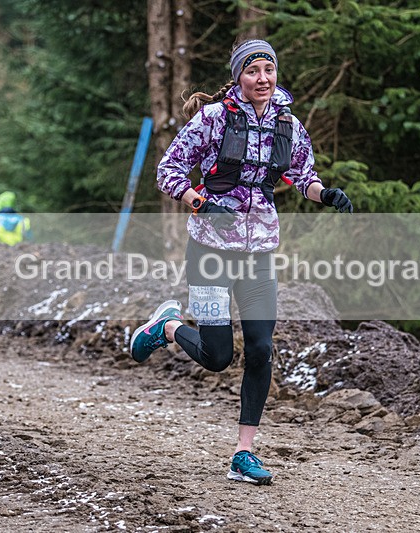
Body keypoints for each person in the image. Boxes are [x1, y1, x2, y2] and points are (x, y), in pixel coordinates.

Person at [129, 39, 353, 485]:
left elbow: (301, 176)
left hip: (260, 251)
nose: (263, 79)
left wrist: (323, 193)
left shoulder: (287, 124)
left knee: (260, 348)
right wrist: (200, 203)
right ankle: (168, 327)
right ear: (238, 77)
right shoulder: (212, 120)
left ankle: (243, 454)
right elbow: (168, 171)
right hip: (211, 248)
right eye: (253, 71)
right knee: (216, 357)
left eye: (269, 70)